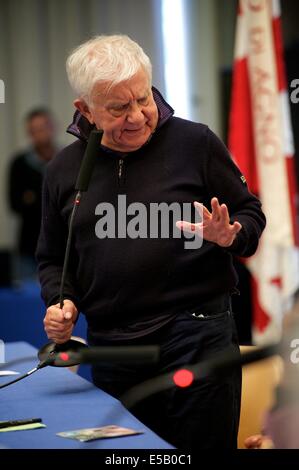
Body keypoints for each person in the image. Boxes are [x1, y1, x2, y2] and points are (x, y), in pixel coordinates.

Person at [36, 35, 266, 449]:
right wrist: (60, 300)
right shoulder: (63, 170)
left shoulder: (194, 143)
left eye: (143, 99)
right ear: (84, 109)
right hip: (113, 350)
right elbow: (53, 258)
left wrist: (231, 234)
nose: (139, 116)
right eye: (119, 108)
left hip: (196, 339)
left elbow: (251, 214)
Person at [8, 108, 57, 280]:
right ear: (29, 133)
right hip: (29, 247)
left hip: (62, 245)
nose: (40, 134)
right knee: (27, 300)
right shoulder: (20, 163)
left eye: (43, 127)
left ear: (53, 127)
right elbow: (15, 204)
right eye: (34, 130)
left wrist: (32, 197)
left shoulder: (65, 159)